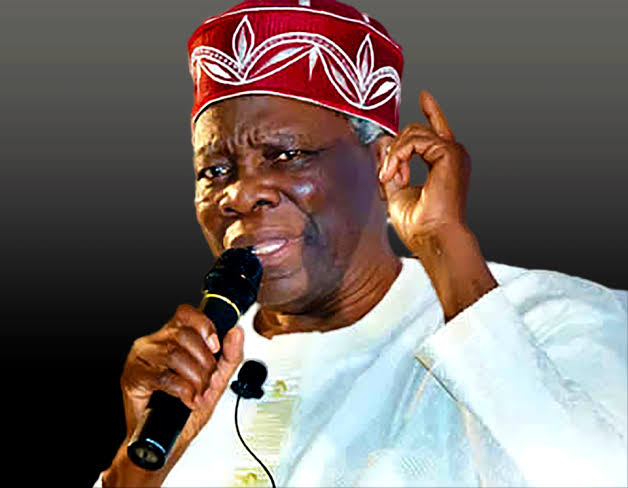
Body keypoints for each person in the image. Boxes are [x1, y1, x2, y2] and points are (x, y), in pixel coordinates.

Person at [95, 0, 627, 486]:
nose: (239, 193)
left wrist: (447, 251)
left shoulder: (548, 316)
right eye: (214, 171)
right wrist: (137, 470)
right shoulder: (185, 383)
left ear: (383, 162)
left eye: (287, 155)